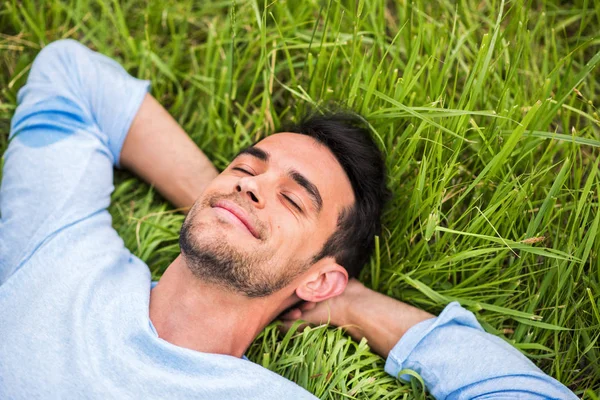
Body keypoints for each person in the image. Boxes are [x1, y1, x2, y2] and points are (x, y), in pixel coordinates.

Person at [0, 39, 577, 399]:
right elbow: (71, 75)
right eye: (245, 167)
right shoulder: (60, 248)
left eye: (293, 200)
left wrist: (354, 304)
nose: (251, 185)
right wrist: (221, 201)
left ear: (319, 278)